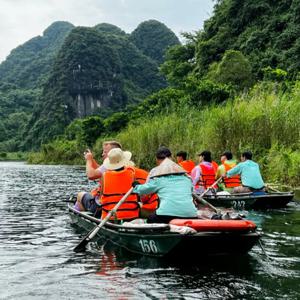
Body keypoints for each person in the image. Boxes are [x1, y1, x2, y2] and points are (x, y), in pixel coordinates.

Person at [132, 147, 198, 224]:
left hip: (166, 214)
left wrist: (136, 185)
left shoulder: (159, 179)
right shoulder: (187, 179)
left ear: (157, 160)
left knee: (150, 219)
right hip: (191, 214)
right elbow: (192, 194)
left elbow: (142, 190)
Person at [75, 141, 122, 215]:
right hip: (120, 206)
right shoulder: (125, 167)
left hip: (103, 208)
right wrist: (92, 159)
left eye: (105, 152)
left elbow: (91, 175)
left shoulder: (107, 167)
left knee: (80, 195)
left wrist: (89, 160)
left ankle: (81, 219)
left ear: (112, 154)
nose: (102, 154)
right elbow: (99, 169)